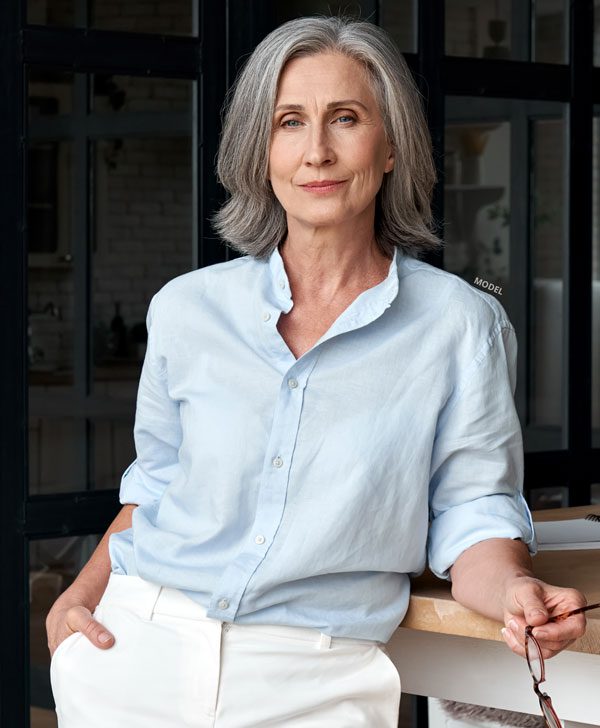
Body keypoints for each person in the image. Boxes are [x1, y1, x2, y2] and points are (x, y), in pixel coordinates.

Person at [46, 15, 587, 727]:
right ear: (260, 150)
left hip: (317, 676)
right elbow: (155, 489)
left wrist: (516, 585)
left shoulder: (459, 326)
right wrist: (77, 599)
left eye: (346, 118)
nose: (318, 152)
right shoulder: (187, 309)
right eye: (290, 122)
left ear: (390, 146)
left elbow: (474, 514)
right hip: (136, 649)